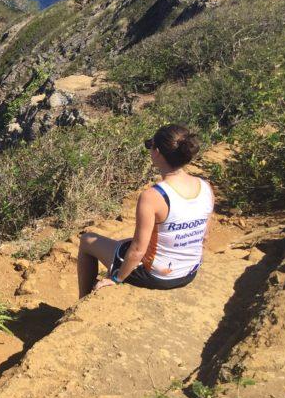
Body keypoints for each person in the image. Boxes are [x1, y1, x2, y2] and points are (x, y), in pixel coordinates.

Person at [77, 124, 213, 298]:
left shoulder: (153, 196)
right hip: (189, 272)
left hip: (159, 276)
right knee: (127, 241)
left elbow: (138, 250)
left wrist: (116, 278)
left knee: (87, 240)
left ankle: (82, 299)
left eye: (151, 146)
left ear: (157, 152)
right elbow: (204, 236)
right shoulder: (205, 187)